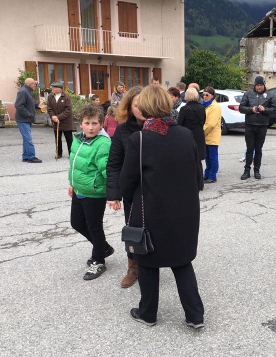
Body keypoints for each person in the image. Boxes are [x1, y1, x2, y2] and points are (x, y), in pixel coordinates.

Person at [120, 85, 204, 328]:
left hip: (152, 212)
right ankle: (195, 316)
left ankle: (148, 314)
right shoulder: (186, 135)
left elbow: (127, 182)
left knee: (147, 263)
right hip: (184, 212)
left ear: (145, 107)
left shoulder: (140, 139)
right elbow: (197, 176)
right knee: (181, 263)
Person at [68, 103, 113, 280]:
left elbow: (107, 171)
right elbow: (74, 163)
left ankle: (99, 260)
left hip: (94, 193)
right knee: (77, 223)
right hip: (79, 189)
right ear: (81, 124)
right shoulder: (78, 139)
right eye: (87, 123)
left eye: (95, 123)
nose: (91, 127)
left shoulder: (103, 144)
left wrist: (113, 193)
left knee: (95, 228)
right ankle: (104, 248)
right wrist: (71, 182)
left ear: (101, 124)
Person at [106, 86, 145, 288]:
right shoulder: (122, 130)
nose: (141, 109)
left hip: (155, 190)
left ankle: (153, 266)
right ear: (129, 107)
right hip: (132, 191)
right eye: (136, 105)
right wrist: (114, 193)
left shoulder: (160, 127)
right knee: (132, 231)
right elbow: (114, 163)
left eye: (144, 104)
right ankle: (133, 268)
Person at [239, 76, 276, 180]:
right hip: (250, 125)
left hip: (262, 126)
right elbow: (241, 108)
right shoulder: (248, 94)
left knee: (258, 149)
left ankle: (257, 170)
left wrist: (265, 109)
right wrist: (251, 109)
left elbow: (275, 110)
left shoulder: (270, 95)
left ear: (264, 85)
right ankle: (246, 170)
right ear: (254, 85)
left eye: (261, 85)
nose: (259, 87)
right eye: (257, 85)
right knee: (249, 149)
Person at [178, 88, 206, 189]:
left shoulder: (184, 109)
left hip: (188, 135)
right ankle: (200, 183)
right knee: (198, 161)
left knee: (189, 160)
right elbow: (203, 121)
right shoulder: (202, 108)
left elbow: (179, 124)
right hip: (199, 134)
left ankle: (190, 183)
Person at [15, 78, 46, 163]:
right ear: (30, 84)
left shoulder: (27, 91)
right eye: (34, 84)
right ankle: (31, 157)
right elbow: (18, 105)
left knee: (26, 139)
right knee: (28, 139)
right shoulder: (23, 91)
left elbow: (28, 104)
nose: (35, 85)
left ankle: (26, 156)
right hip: (23, 119)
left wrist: (37, 106)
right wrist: (28, 114)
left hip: (26, 119)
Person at [47, 82, 75, 159]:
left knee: (69, 139)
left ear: (59, 90)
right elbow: (49, 108)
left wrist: (58, 117)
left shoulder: (66, 97)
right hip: (55, 122)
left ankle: (71, 153)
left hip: (66, 122)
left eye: (54, 88)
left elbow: (68, 110)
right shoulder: (50, 96)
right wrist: (53, 116)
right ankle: (58, 153)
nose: (52, 89)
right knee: (57, 139)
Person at [202, 86, 222, 183]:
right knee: (207, 157)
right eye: (204, 95)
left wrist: (202, 132)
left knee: (213, 157)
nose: (205, 97)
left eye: (207, 95)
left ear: (212, 96)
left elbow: (211, 124)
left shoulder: (215, 107)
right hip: (206, 136)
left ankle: (212, 175)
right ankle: (207, 174)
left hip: (212, 135)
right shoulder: (205, 105)